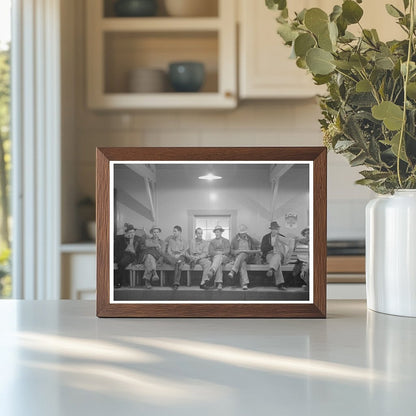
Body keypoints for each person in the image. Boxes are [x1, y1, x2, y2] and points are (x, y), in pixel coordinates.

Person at [260, 221, 294, 290]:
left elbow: (287, 247)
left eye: (276, 229)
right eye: (273, 229)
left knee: (277, 256)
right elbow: (262, 248)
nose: (274, 230)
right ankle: (280, 284)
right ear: (271, 229)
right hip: (269, 255)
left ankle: (271, 269)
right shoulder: (266, 237)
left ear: (278, 229)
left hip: (279, 255)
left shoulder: (282, 237)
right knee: (277, 263)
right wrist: (272, 248)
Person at [228, 224, 259, 290]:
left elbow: (258, 246)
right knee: (242, 263)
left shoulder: (250, 239)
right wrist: (236, 252)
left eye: (244, 233)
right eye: (242, 233)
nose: (243, 234)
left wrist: (256, 251)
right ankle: (244, 284)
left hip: (249, 257)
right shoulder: (234, 239)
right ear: (239, 233)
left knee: (243, 254)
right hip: (238, 258)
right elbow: (231, 251)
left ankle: (233, 271)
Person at [114, 223, 143, 288]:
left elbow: (141, 251)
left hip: (133, 255)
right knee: (122, 262)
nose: (132, 234)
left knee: (121, 264)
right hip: (123, 255)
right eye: (130, 232)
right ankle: (122, 281)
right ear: (126, 233)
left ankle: (118, 282)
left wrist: (138, 261)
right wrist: (125, 237)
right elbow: (117, 249)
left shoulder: (138, 239)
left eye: (133, 232)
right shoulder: (121, 238)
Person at [207, 225, 231, 290]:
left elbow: (228, 251)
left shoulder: (226, 241)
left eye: (218, 232)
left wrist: (220, 253)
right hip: (215, 258)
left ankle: (212, 270)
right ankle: (219, 283)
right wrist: (218, 253)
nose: (217, 233)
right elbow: (210, 252)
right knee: (219, 263)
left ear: (221, 232)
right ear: (214, 233)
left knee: (219, 257)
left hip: (225, 257)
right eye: (216, 232)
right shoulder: (212, 241)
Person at [141, 225, 165, 289]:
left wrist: (159, 248)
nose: (156, 234)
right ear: (151, 233)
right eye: (154, 232)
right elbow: (147, 244)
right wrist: (156, 245)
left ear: (159, 233)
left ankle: (147, 281)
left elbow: (163, 253)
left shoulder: (162, 242)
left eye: (157, 232)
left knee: (149, 256)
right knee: (149, 256)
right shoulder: (148, 240)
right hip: (149, 258)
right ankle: (154, 273)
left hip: (157, 258)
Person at [164, 225, 187, 290]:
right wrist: (173, 256)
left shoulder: (184, 240)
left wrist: (179, 255)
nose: (173, 233)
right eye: (173, 231)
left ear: (179, 232)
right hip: (172, 256)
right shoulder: (171, 240)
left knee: (179, 261)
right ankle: (176, 283)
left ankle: (176, 283)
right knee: (178, 263)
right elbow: (168, 251)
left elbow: (185, 251)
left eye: (175, 231)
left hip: (181, 256)